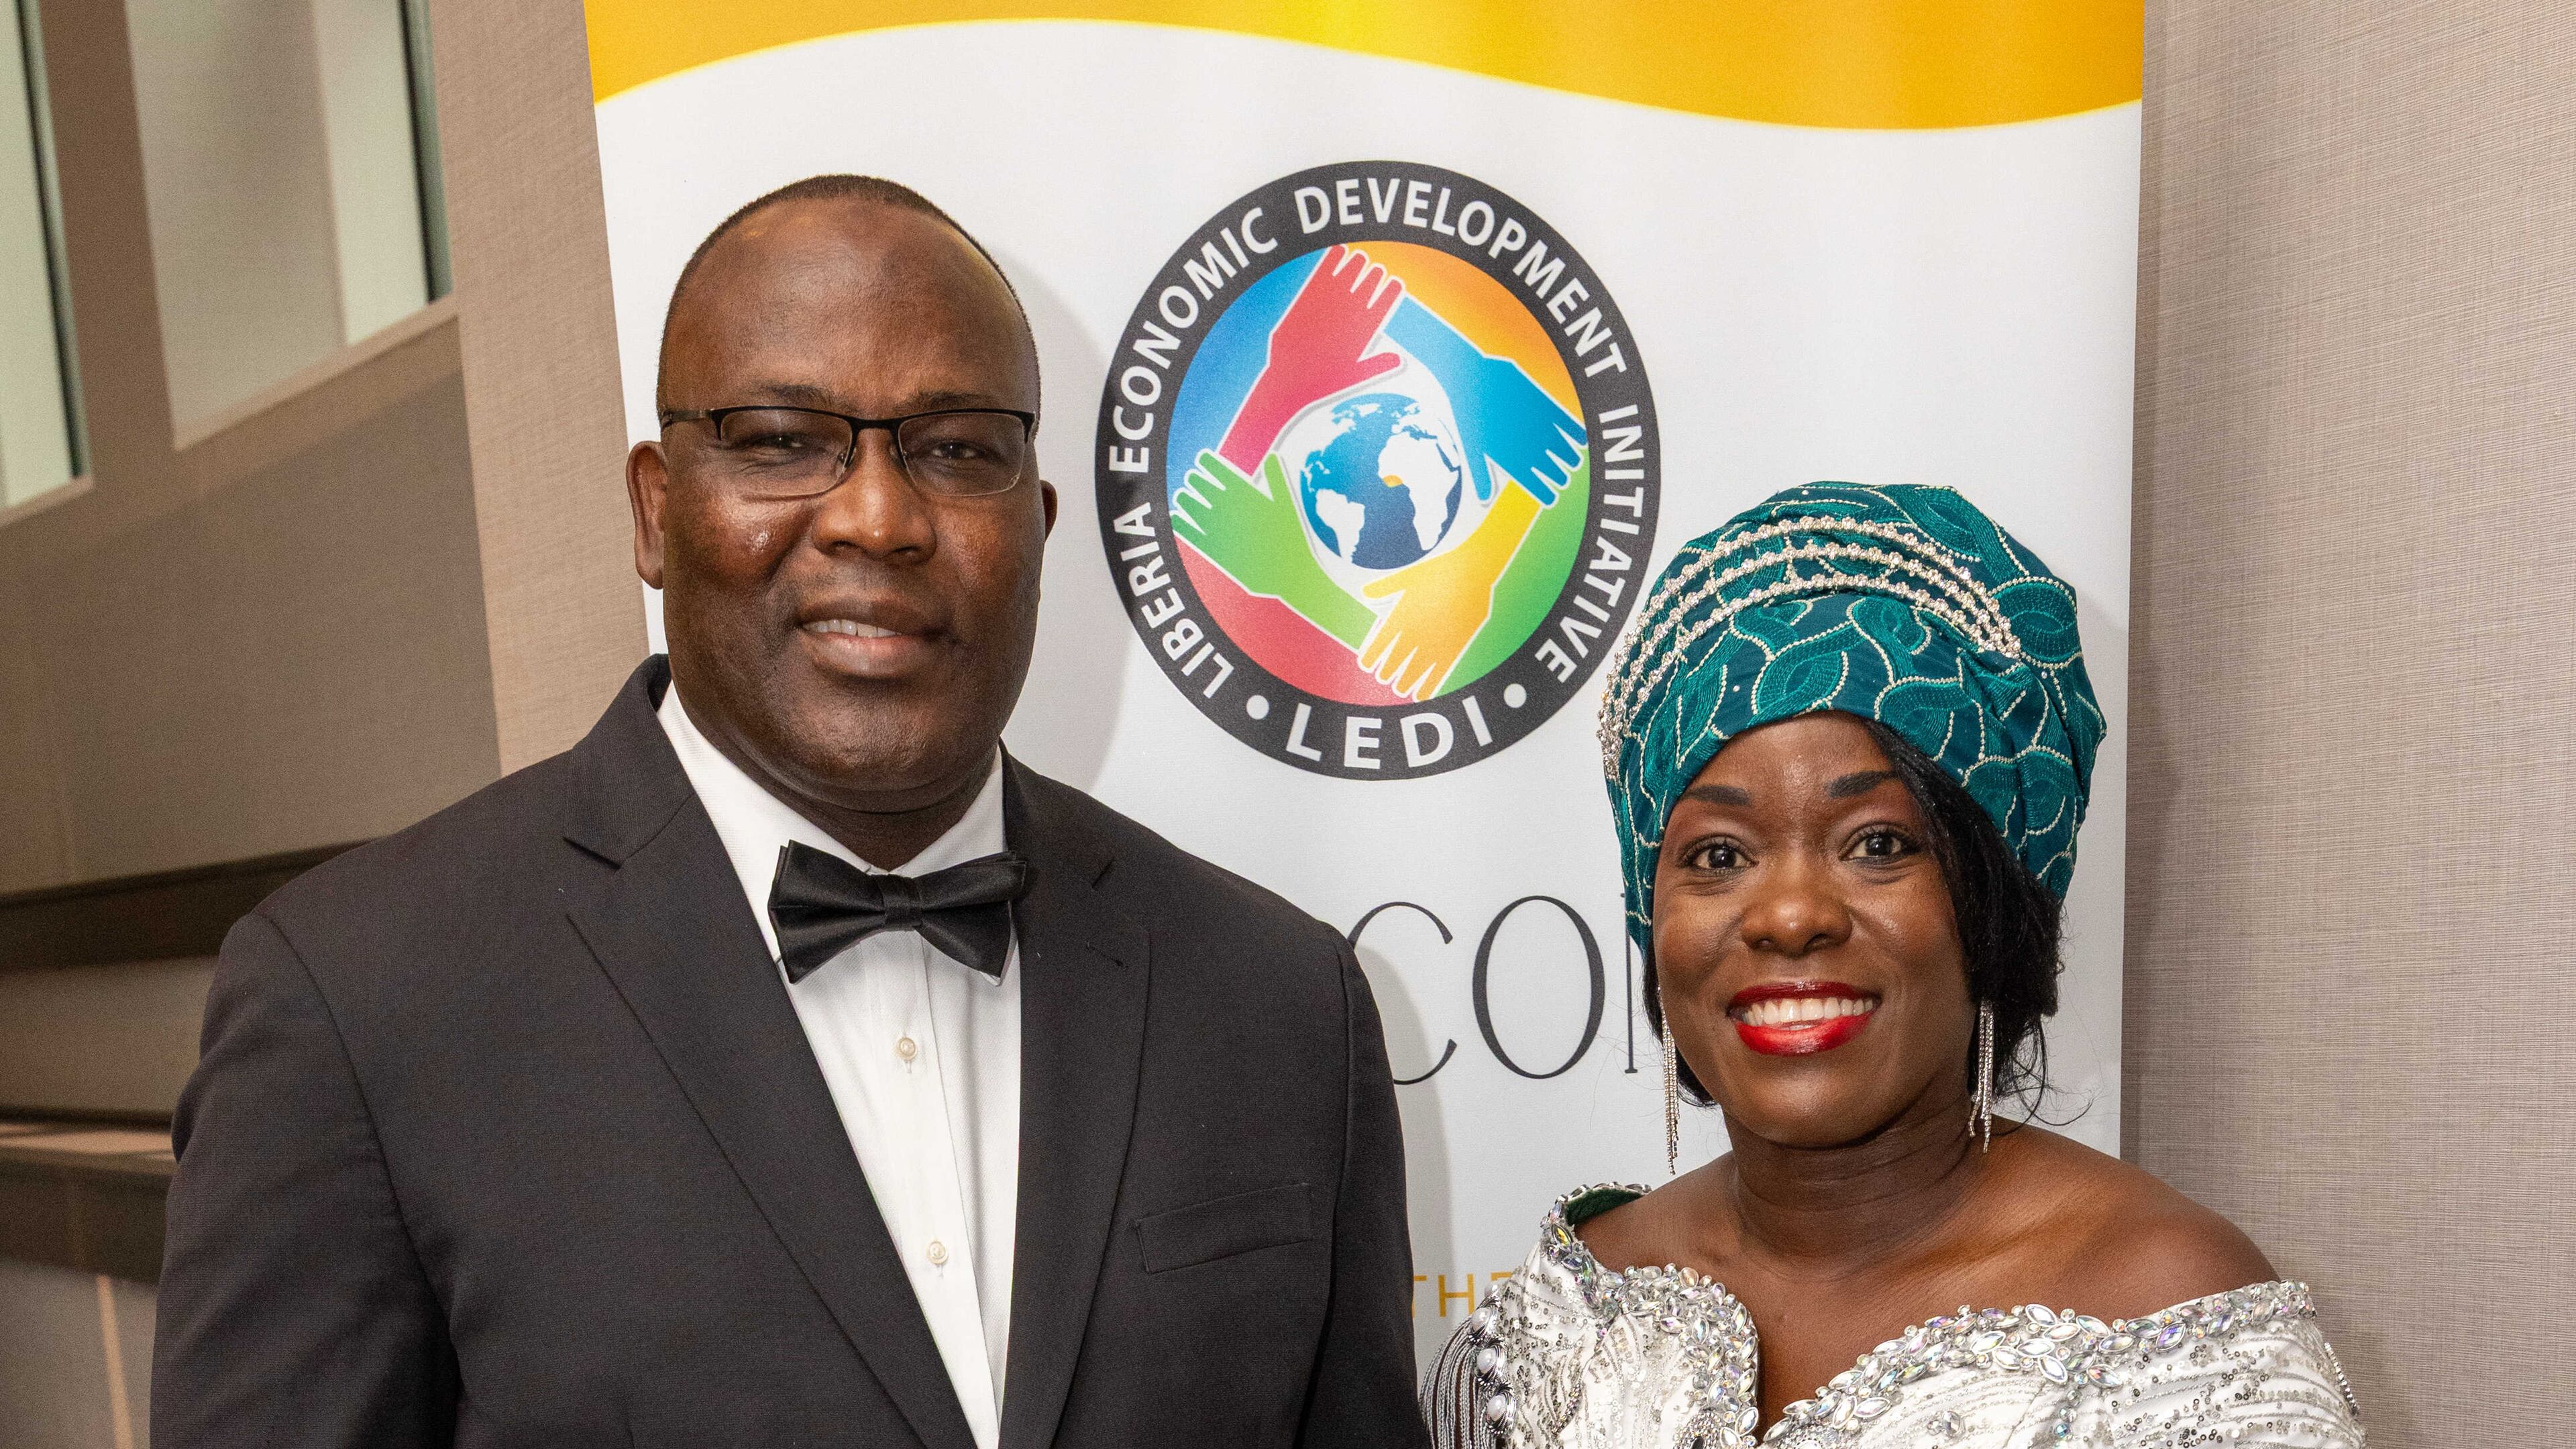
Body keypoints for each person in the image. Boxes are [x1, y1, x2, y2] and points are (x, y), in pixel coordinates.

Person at [154, 175, 1425, 1449]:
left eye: (957, 447)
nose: (877, 516)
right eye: (779, 439)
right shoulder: (360, 1005)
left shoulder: (1281, 1003)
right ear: (657, 512)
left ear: (1037, 529)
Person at [1424, 484, 2364, 1448]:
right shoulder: (1554, 1328)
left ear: (1992, 905)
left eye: (1878, 843)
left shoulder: (2168, 1324)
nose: (1790, 915)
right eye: (1718, 855)